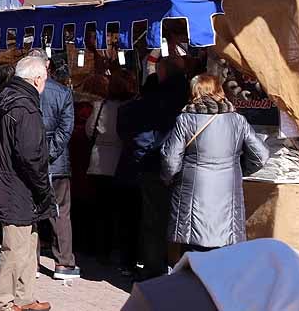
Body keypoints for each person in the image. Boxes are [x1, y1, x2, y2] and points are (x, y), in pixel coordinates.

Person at [160, 74, 269, 255]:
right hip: (228, 191)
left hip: (192, 192)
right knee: (223, 255)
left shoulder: (185, 119)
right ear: (219, 90)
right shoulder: (237, 120)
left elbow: (171, 160)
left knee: (193, 254)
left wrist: (168, 179)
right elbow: (262, 155)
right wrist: (238, 168)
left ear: (194, 92)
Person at [0, 56, 54, 311]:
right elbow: (30, 155)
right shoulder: (24, 106)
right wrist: (43, 189)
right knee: (15, 247)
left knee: (28, 243)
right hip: (17, 184)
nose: (45, 84)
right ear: (37, 79)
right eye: (45, 79)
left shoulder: (9, 98)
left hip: (13, 182)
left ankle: (24, 297)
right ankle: (2, 301)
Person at [116, 55, 188, 280]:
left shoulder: (155, 100)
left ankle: (154, 268)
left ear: (162, 72)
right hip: (182, 167)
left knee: (154, 221)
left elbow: (141, 138)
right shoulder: (184, 97)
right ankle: (176, 266)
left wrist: (145, 158)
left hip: (155, 165)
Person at [30, 49, 78, 279]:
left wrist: (42, 154)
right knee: (60, 213)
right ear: (46, 65)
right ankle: (64, 264)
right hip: (55, 162)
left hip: (35, 160)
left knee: (33, 213)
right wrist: (51, 153)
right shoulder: (62, 92)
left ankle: (33, 263)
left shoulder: (22, 91)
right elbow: (66, 129)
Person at [86, 73, 134, 266]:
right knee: (122, 211)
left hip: (99, 162)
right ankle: (121, 251)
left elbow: (90, 130)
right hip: (120, 161)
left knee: (101, 211)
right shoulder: (129, 108)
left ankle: (102, 251)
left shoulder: (99, 107)